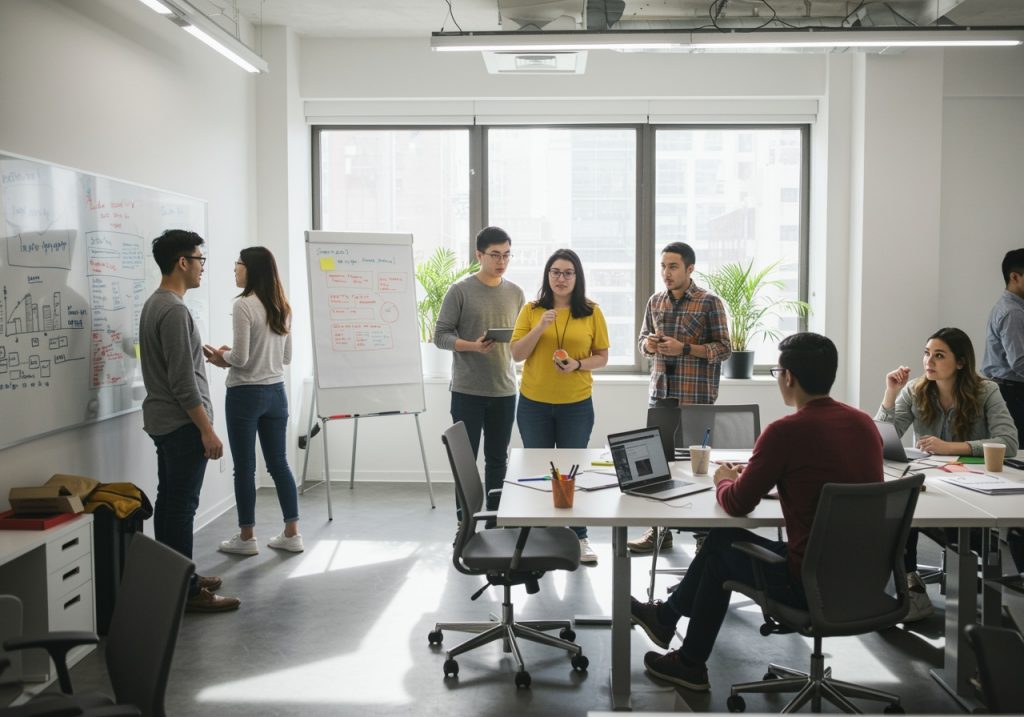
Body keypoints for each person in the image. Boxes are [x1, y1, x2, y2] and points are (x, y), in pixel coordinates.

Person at [630, 333, 882, 692]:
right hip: (865, 579)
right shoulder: (863, 424)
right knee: (724, 539)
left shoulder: (785, 432)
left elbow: (736, 504)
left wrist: (722, 480)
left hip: (808, 582)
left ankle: (687, 658)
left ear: (789, 377)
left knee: (719, 549)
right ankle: (665, 619)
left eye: (778, 371)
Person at [877, 327, 1019, 620]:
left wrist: (951, 447)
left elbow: (1009, 443)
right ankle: (912, 589)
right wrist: (890, 394)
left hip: (976, 492)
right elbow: (879, 441)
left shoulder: (986, 390)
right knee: (902, 509)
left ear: (961, 362)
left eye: (939, 355)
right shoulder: (915, 390)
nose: (929, 360)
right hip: (936, 486)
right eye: (927, 353)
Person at [139, 229, 240, 613]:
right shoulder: (175, 310)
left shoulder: (156, 304)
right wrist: (207, 430)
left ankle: (176, 578)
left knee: (170, 503)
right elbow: (183, 383)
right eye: (199, 260)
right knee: (181, 508)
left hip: (164, 422)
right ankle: (186, 591)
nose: (202, 268)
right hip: (183, 426)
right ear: (182, 262)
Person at [629, 242, 732, 553]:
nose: (666, 273)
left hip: (696, 397)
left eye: (672, 266)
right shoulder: (655, 301)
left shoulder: (709, 302)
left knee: (699, 470)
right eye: (663, 266)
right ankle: (660, 531)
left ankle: (703, 538)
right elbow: (641, 342)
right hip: (661, 395)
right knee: (658, 467)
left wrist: (684, 348)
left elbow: (723, 349)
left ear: (690, 269)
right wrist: (650, 345)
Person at [511, 248, 609, 564]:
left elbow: (602, 357)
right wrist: (540, 326)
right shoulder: (531, 309)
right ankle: (541, 537)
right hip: (533, 405)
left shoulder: (592, 311)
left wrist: (578, 364)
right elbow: (516, 354)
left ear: (577, 277)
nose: (561, 278)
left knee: (569, 473)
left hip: (576, 405)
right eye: (556, 272)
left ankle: (579, 537)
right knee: (541, 471)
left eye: (568, 272)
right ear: (547, 275)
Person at [205, 247, 302, 555]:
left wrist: (221, 357)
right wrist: (238, 357)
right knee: (279, 464)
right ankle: (292, 534)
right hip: (276, 393)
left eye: (239, 265)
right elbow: (286, 357)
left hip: (245, 394)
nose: (235, 269)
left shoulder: (244, 306)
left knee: (245, 468)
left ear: (252, 270)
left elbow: (242, 359)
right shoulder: (283, 306)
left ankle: (247, 538)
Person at [434, 227, 525, 513]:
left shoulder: (516, 293)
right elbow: (440, 335)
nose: (502, 261)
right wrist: (472, 346)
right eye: (495, 255)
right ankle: (466, 524)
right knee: (466, 459)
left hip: (504, 390)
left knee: (498, 460)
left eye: (507, 255)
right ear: (479, 255)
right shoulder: (460, 290)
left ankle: (497, 518)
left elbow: (521, 339)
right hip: (467, 391)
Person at [982, 248, 1024, 446]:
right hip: (1013, 394)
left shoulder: (1011, 308)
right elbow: (1020, 362)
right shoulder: (1013, 312)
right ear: (1014, 276)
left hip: (1008, 390)